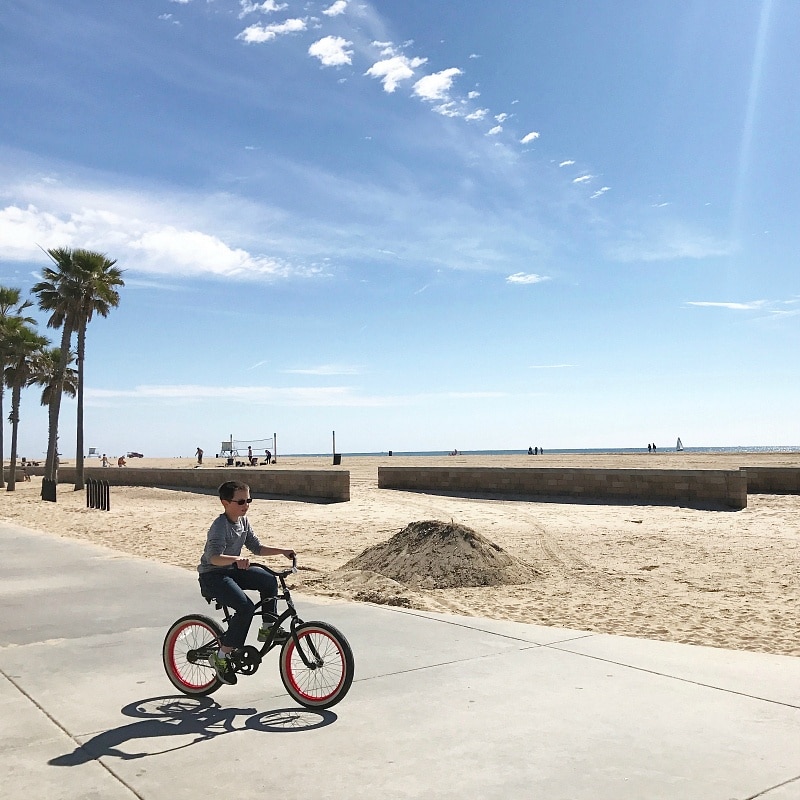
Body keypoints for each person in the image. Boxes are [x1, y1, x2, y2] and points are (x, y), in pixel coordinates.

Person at [197, 480, 295, 685]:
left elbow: (257, 548)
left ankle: (268, 627)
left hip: (232, 570)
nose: (246, 505)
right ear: (225, 502)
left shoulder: (243, 522)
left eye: (248, 500)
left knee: (269, 580)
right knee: (245, 607)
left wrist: (282, 551)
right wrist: (236, 560)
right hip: (213, 575)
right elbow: (213, 557)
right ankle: (221, 656)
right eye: (240, 501)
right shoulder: (219, 526)